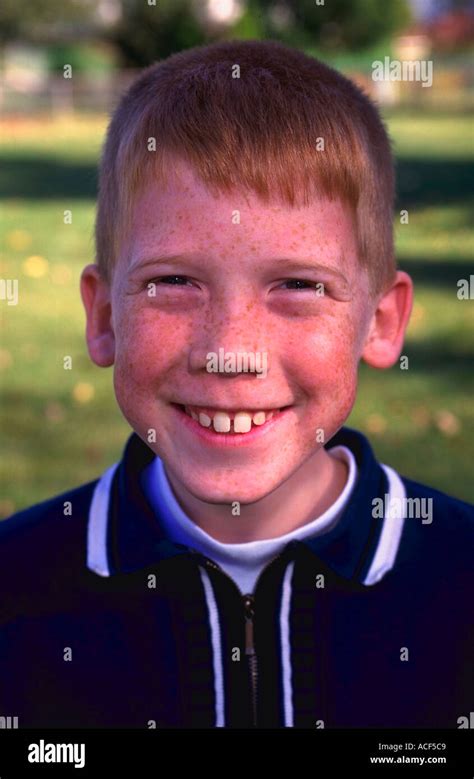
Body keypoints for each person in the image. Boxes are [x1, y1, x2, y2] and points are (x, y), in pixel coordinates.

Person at [1, 40, 472, 729]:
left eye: (299, 286)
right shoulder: (15, 592)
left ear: (379, 321)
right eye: (174, 283)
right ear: (103, 317)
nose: (229, 352)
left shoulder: (460, 585)